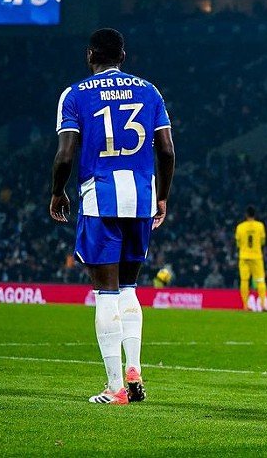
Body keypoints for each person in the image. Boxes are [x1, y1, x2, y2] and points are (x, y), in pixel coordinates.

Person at [50, 28, 176, 404]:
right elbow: (167, 151)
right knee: (129, 288)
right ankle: (134, 369)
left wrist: (58, 191)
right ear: (123, 55)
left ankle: (115, 386)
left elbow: (65, 155)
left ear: (91, 54)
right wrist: (163, 196)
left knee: (105, 292)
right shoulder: (149, 91)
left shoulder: (74, 95)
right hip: (140, 198)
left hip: (100, 197)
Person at [235, 206, 267, 310]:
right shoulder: (260, 226)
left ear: (246, 215)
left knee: (244, 281)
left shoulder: (240, 227)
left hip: (244, 257)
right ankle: (263, 305)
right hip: (256, 256)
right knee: (260, 280)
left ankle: (245, 305)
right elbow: (263, 241)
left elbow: (238, 243)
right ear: (255, 215)